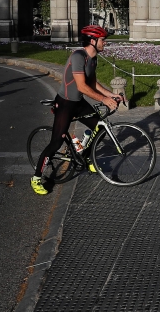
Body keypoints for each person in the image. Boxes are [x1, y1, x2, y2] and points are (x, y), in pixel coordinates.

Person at [31, 25, 124, 195]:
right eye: (103, 40)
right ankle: (36, 177)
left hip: (78, 102)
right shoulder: (78, 56)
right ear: (92, 41)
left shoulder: (93, 58)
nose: (105, 43)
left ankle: (88, 158)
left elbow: (93, 83)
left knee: (99, 126)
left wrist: (112, 95)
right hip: (65, 103)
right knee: (56, 143)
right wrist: (104, 100)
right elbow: (81, 86)